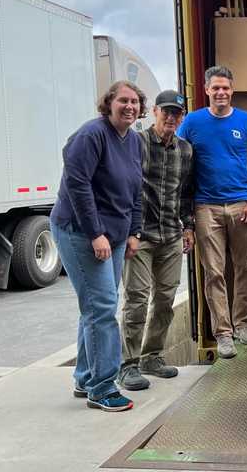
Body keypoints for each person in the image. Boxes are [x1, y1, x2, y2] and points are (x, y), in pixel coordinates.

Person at [50, 81, 145, 412]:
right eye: (123, 100)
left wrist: (134, 232)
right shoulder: (92, 135)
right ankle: (102, 387)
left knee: (95, 304)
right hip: (79, 231)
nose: (129, 106)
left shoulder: (134, 141)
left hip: (116, 235)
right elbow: (77, 186)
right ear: (109, 103)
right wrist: (95, 234)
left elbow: (136, 190)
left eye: (135, 101)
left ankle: (85, 375)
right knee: (102, 307)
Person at [177, 66, 247, 359]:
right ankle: (223, 333)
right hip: (206, 207)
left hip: (241, 204)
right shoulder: (192, 122)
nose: (221, 93)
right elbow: (180, 161)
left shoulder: (246, 120)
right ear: (206, 90)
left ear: (232, 89)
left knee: (245, 266)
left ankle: (242, 324)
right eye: (216, 88)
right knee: (214, 271)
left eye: (225, 87)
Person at [118, 90, 195, 391]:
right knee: (136, 300)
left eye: (177, 113)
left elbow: (186, 193)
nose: (171, 117)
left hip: (170, 236)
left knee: (165, 300)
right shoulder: (136, 143)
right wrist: (128, 231)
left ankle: (152, 356)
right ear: (154, 111)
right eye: (166, 111)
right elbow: (124, 187)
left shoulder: (185, 150)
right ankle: (128, 364)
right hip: (140, 236)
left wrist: (187, 227)